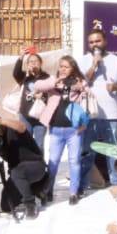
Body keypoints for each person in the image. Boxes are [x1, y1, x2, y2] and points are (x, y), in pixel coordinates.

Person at [80, 30, 117, 189]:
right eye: (91, 42)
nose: (94, 45)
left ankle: (116, 183)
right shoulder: (82, 61)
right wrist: (94, 65)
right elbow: (81, 82)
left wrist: (116, 86)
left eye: (98, 41)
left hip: (111, 115)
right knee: (87, 151)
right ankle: (84, 184)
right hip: (89, 115)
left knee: (113, 151)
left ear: (105, 41)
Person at [35, 55, 88, 205]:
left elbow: (87, 92)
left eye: (66, 66)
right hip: (56, 129)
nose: (63, 69)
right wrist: (55, 82)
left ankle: (73, 193)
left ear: (73, 68)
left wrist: (81, 88)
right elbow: (37, 85)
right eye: (61, 66)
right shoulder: (53, 81)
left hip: (74, 130)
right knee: (53, 162)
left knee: (74, 161)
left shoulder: (79, 82)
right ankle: (48, 191)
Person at [0, 107, 49, 219]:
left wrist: (0, 120)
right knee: (6, 205)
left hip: (35, 165)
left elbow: (21, 126)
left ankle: (30, 203)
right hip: (18, 173)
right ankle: (36, 190)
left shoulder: (13, 129)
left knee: (17, 171)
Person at [13, 47, 51, 153]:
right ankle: (27, 166)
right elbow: (16, 73)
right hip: (25, 116)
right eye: (30, 61)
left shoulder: (46, 77)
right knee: (25, 143)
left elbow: (52, 96)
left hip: (41, 118)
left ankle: (39, 167)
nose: (33, 63)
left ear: (41, 63)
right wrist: (21, 57)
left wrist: (43, 97)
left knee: (39, 145)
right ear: (27, 64)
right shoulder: (25, 77)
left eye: (36, 61)